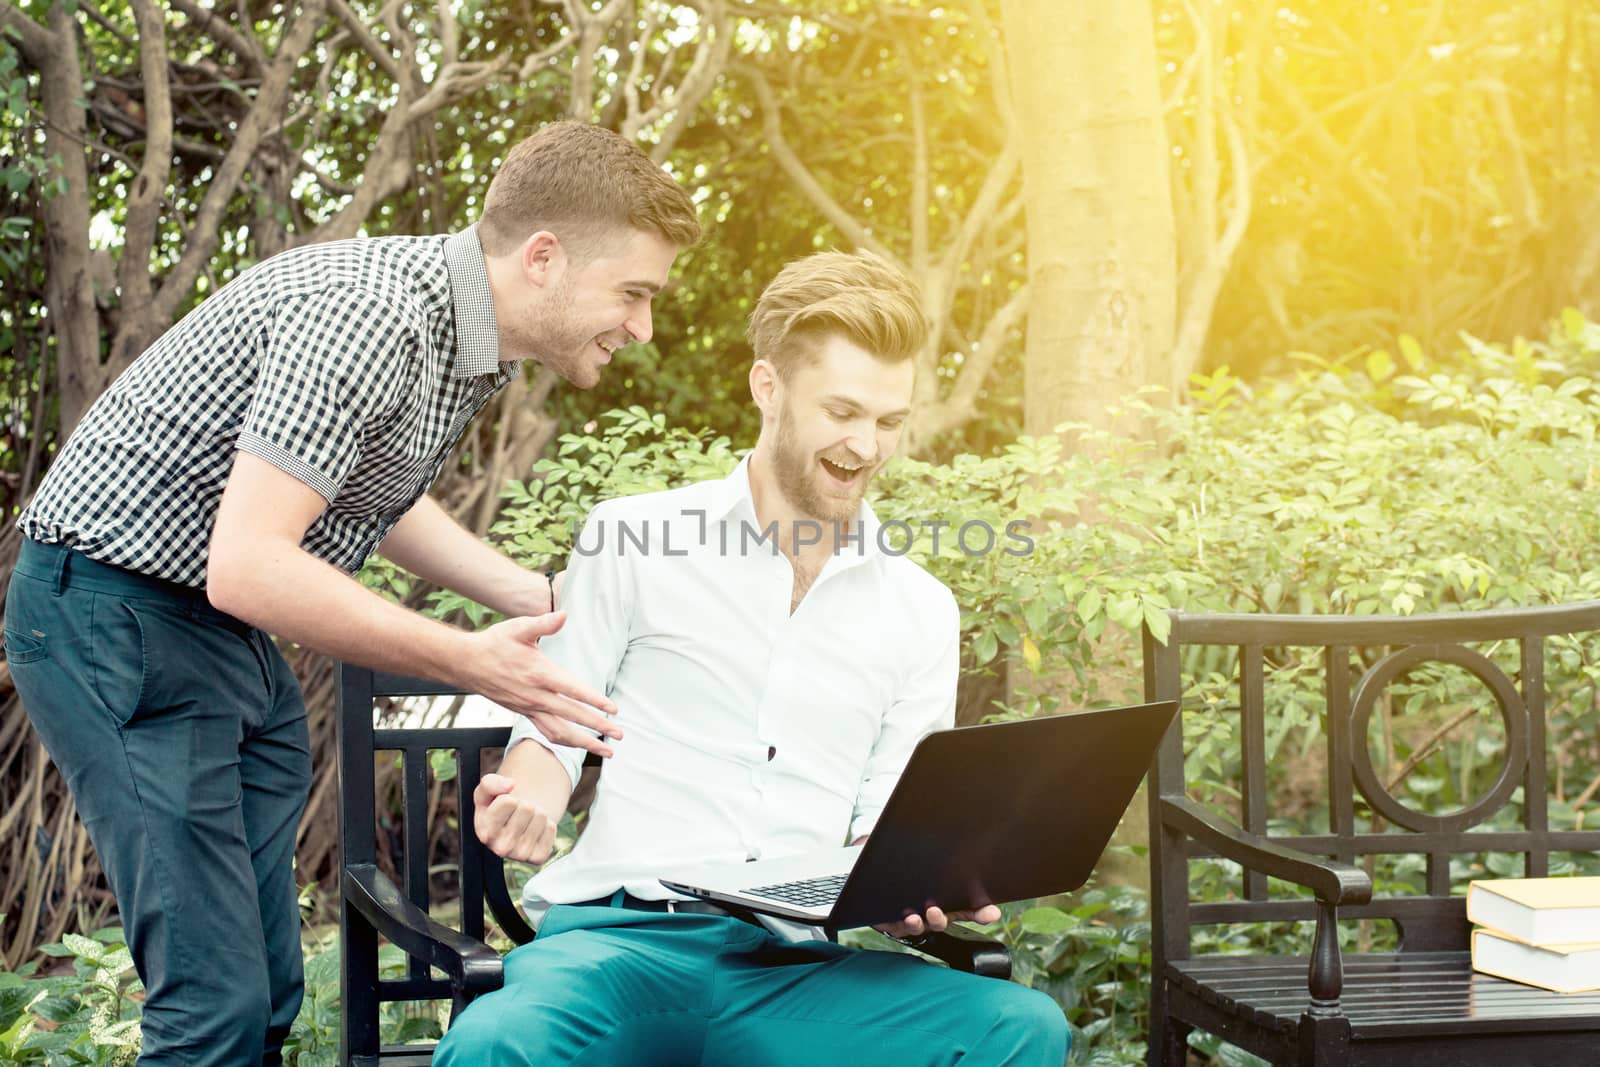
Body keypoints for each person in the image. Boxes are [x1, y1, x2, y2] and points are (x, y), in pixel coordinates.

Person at [2, 121, 701, 1066]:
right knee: (212, 1008)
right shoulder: (373, 316)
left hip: (209, 628)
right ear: (544, 258)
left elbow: (365, 485)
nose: (641, 326)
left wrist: (534, 591)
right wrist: (470, 658)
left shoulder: (464, 340)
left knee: (268, 995)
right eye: (633, 293)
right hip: (111, 612)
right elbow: (249, 561)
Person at [438, 251, 1069, 1065]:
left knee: (1020, 1029)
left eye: (888, 421)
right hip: (622, 949)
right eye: (842, 410)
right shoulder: (634, 539)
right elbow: (556, 727)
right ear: (767, 387)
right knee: (498, 1044)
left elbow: (889, 815)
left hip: (793, 971)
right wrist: (526, 794)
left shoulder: (920, 609)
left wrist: (914, 883)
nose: (866, 445)